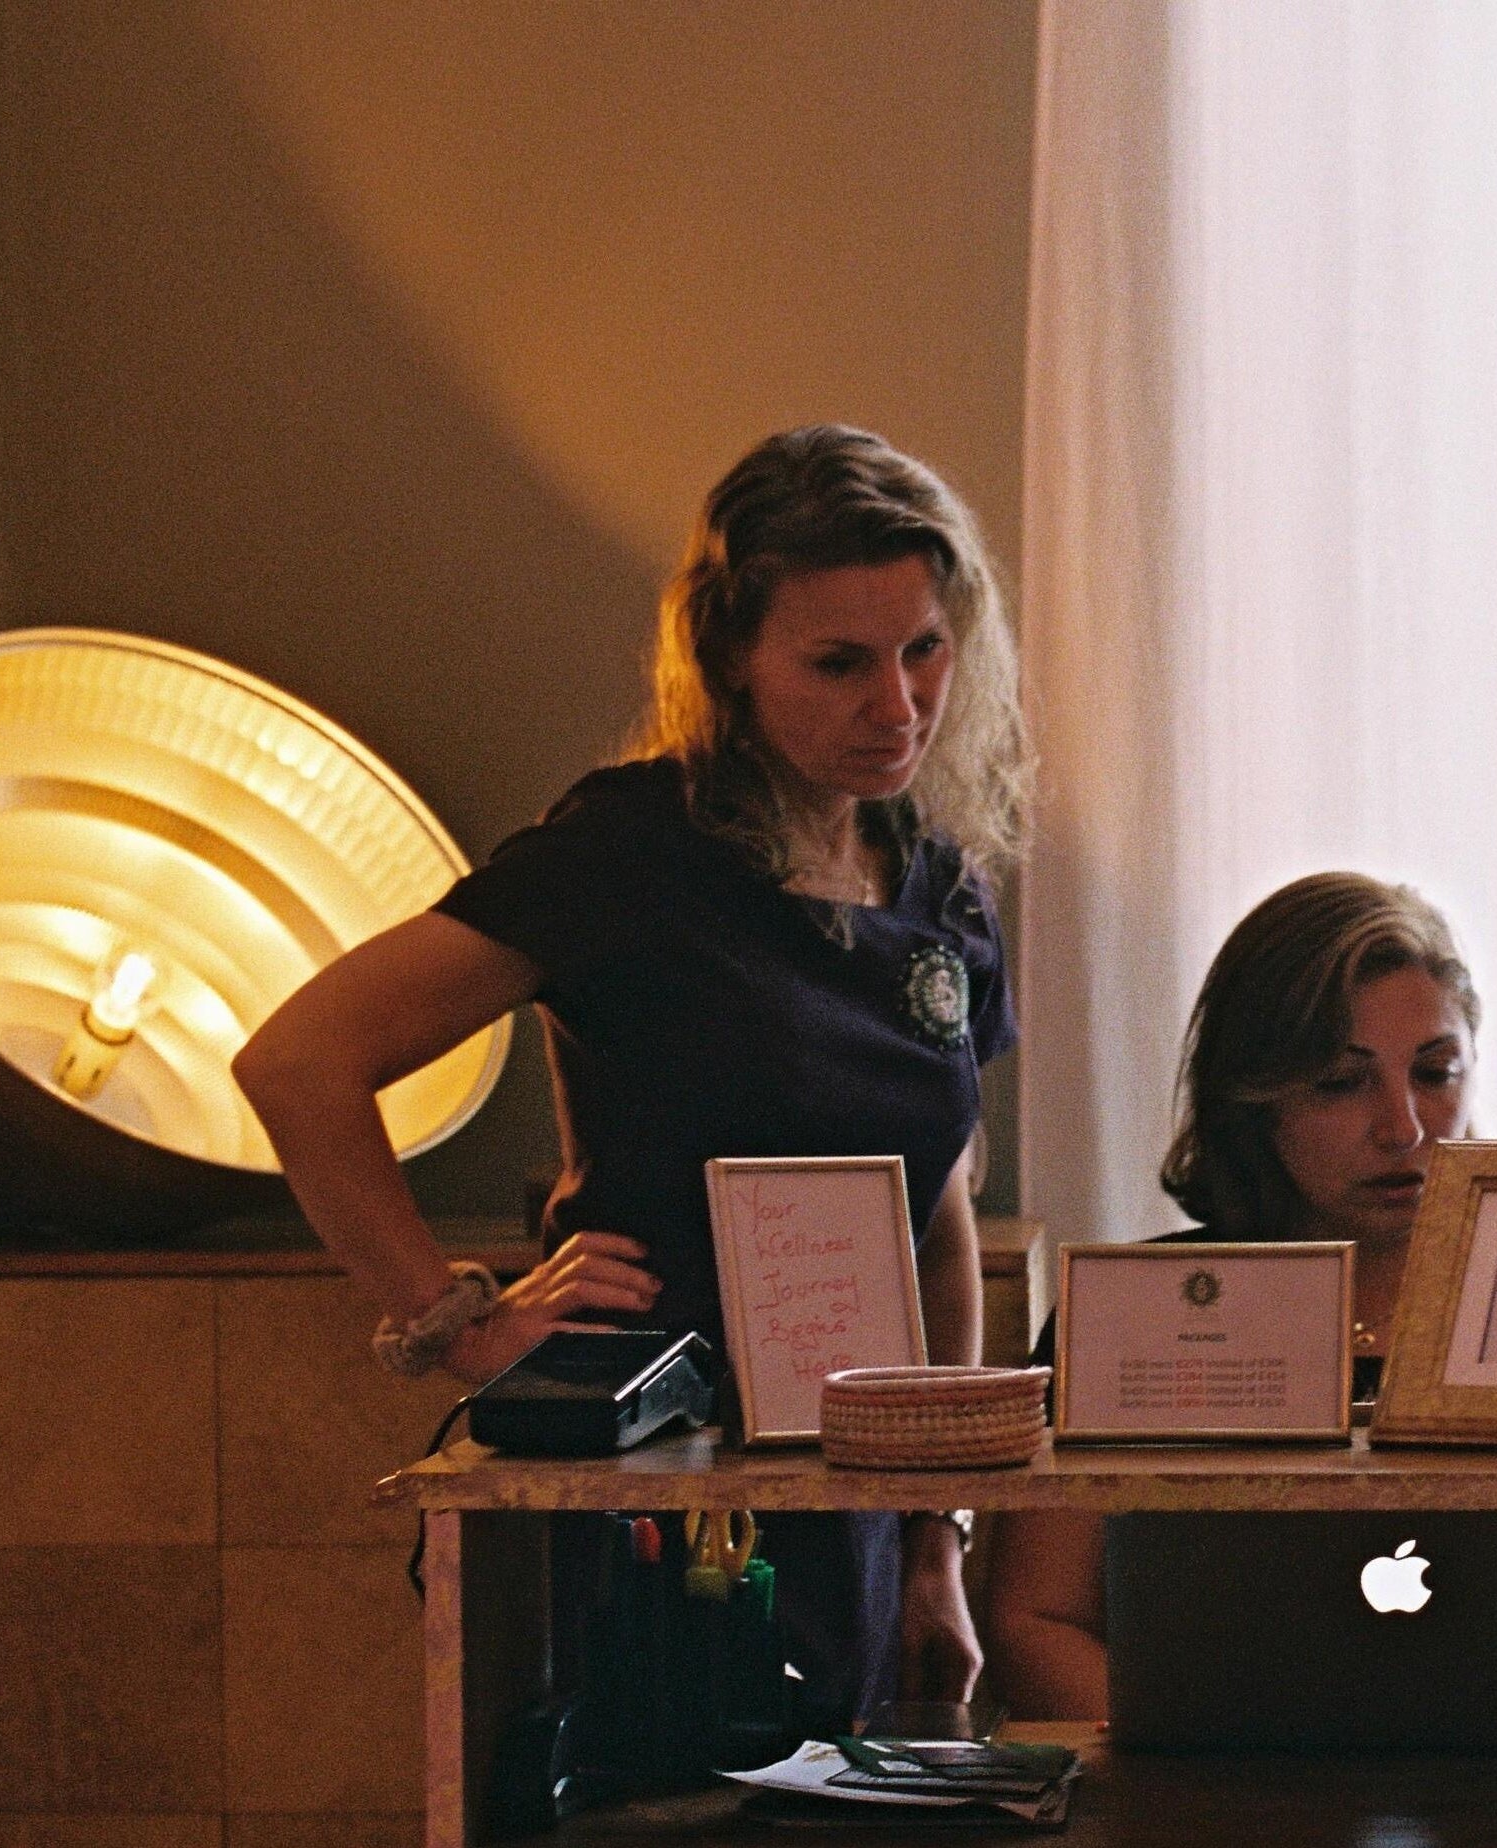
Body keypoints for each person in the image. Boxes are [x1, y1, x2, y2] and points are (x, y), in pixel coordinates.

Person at [236, 422, 1027, 1727]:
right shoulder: (628, 850)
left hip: (849, 1504)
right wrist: (462, 1327)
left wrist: (939, 1540)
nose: (895, 706)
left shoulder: (939, 884)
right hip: (638, 1488)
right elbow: (298, 1062)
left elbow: (936, 1237)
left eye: (922, 650)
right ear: (731, 660)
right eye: (836, 663)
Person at [986, 870, 1497, 1723]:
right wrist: (1228, 1786)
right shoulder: (1136, 1313)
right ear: (1254, 1096)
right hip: (1204, 1817)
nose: (1402, 1127)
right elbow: (1034, 1622)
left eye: (1434, 1072)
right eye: (1338, 1082)